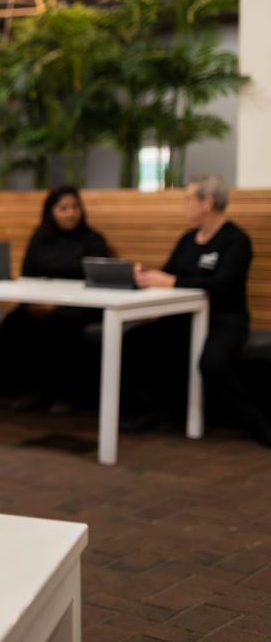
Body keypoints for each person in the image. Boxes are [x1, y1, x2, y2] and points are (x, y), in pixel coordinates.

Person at [123, 175, 268, 446]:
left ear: (207, 203)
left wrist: (173, 281)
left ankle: (258, 424)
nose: (184, 205)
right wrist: (146, 277)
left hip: (225, 321)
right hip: (183, 318)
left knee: (212, 363)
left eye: (188, 198)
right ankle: (154, 411)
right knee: (135, 340)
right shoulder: (188, 240)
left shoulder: (236, 240)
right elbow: (170, 273)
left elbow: (222, 285)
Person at [0, 185, 110, 412]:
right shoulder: (39, 238)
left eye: (75, 207)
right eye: (64, 208)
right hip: (38, 304)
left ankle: (66, 394)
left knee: (61, 326)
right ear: (51, 211)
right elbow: (27, 275)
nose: (71, 212)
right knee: (14, 322)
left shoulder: (93, 240)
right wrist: (33, 304)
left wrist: (58, 305)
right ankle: (28, 390)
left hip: (79, 307)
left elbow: (99, 282)